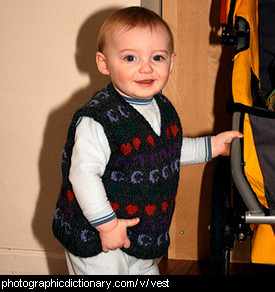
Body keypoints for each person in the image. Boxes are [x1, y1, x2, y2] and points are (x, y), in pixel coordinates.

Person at [52, 6, 243, 275]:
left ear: (171, 62)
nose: (146, 67)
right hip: (97, 238)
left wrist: (211, 146)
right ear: (104, 63)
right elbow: (83, 175)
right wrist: (107, 225)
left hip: (141, 237)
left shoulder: (160, 107)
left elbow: (166, 151)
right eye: (130, 57)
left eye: (157, 57)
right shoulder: (98, 119)